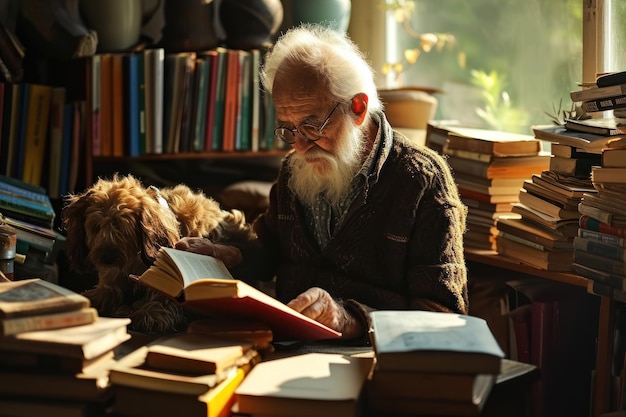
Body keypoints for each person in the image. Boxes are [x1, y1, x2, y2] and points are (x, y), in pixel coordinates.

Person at [176, 24, 468, 344]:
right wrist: (230, 255)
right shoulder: (293, 170)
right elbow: (271, 247)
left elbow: (444, 317)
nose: (299, 146)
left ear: (357, 108)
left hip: (371, 358)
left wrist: (349, 319)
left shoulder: (424, 182)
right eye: (288, 128)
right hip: (286, 346)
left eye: (311, 126)